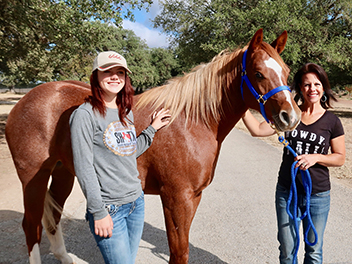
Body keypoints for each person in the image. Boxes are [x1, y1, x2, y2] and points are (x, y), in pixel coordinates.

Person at [69, 51, 170, 264]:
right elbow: (84, 168)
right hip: (110, 207)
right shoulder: (84, 115)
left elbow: (129, 152)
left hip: (136, 202)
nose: (115, 77)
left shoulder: (126, 111)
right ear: (96, 76)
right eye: (108, 72)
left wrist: (152, 128)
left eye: (120, 72)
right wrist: (98, 211)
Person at [242, 63, 345, 264]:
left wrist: (316, 157)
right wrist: (241, 106)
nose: (312, 89)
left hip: (317, 195)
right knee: (287, 251)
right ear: (299, 87)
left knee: (314, 251)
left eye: (317, 84)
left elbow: (340, 157)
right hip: (287, 192)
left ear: (323, 87)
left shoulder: (332, 121)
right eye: (306, 85)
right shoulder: (290, 115)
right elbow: (257, 130)